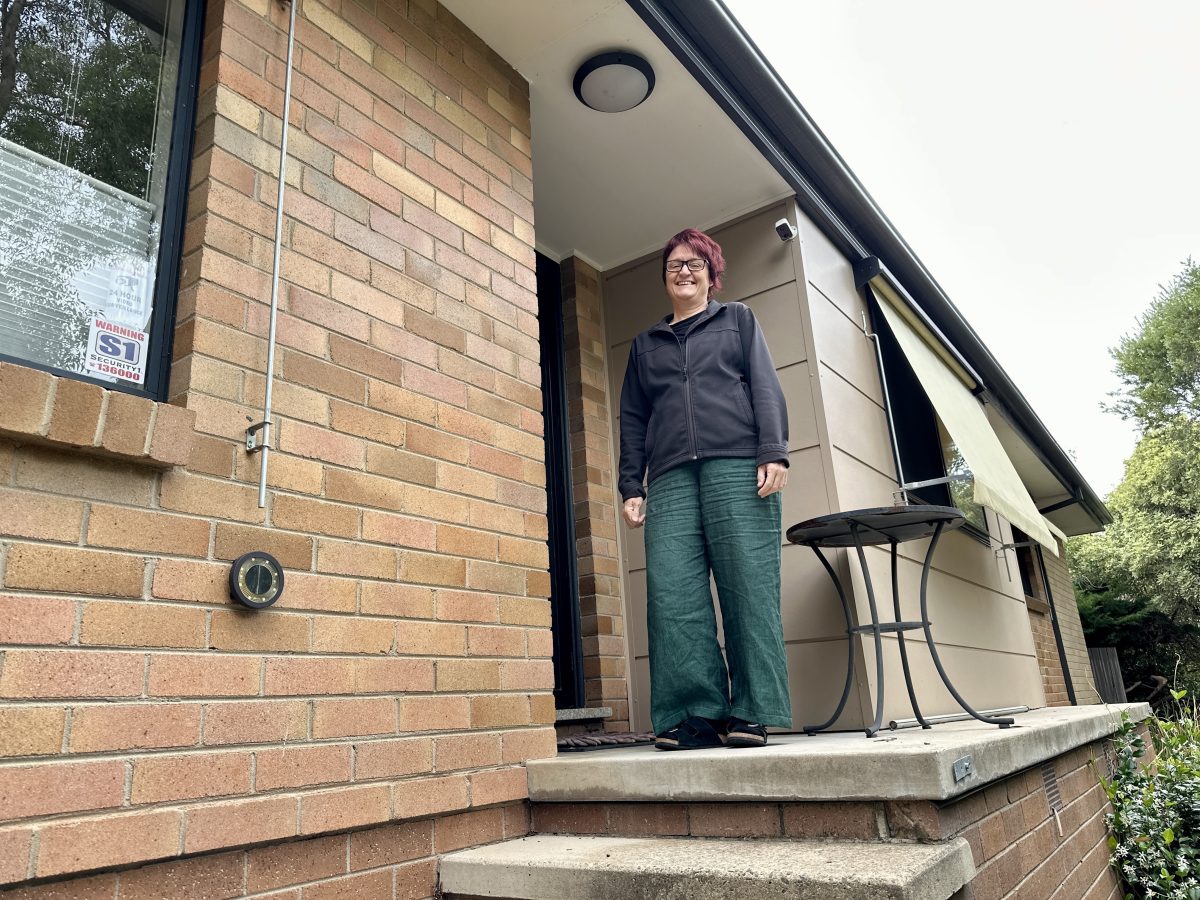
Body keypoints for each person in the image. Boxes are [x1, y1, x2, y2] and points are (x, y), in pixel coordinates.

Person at [619, 227, 792, 750]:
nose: (684, 270)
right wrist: (632, 483)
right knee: (674, 595)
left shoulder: (737, 320)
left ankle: (753, 710)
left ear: (712, 276)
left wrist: (774, 451)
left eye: (695, 263)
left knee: (748, 588)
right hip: (669, 476)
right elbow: (632, 418)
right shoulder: (645, 346)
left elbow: (764, 385)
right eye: (674, 264)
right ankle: (694, 713)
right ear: (665, 278)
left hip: (737, 466)